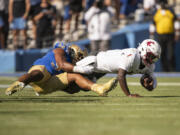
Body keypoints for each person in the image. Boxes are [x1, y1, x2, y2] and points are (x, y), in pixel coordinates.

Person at [5, 42, 117, 96]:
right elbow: (62, 65)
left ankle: (99, 88)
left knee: (76, 80)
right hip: (42, 70)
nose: (78, 60)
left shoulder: (72, 65)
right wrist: (81, 69)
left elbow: (72, 90)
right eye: (78, 57)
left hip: (46, 86)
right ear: (73, 53)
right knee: (38, 74)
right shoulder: (60, 51)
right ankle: (18, 84)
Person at [75, 39, 161, 97]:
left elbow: (153, 82)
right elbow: (121, 76)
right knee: (70, 71)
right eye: (150, 56)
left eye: (154, 58)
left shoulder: (149, 66)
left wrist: (149, 85)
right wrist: (129, 95)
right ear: (143, 49)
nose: (151, 60)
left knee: (79, 87)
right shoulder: (132, 55)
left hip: (101, 70)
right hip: (95, 60)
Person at [149, 2, 180, 71]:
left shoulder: (170, 11)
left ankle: (172, 70)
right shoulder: (156, 12)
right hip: (160, 35)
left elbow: (176, 22)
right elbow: (153, 24)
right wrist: (151, 36)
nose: (163, 5)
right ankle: (165, 70)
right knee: (162, 53)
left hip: (170, 35)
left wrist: (177, 33)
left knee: (170, 54)